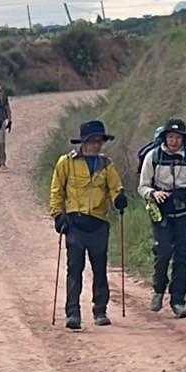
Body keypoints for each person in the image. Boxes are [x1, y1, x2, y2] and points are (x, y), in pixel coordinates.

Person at [49, 119, 129, 330]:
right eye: (93, 141)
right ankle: (73, 313)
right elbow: (57, 190)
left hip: (99, 223)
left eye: (99, 141)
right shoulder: (66, 163)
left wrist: (119, 198)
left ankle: (100, 311)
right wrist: (58, 215)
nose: (96, 145)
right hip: (75, 223)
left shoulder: (106, 164)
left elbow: (115, 187)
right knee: (74, 269)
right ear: (83, 142)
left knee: (100, 268)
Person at [137, 118, 186, 318]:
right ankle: (158, 289)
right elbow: (142, 186)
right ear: (164, 138)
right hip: (161, 213)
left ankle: (178, 301)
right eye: (170, 137)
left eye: (178, 137)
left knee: (181, 257)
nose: (174, 141)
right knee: (163, 253)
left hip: (183, 214)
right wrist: (153, 193)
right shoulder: (153, 156)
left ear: (183, 139)